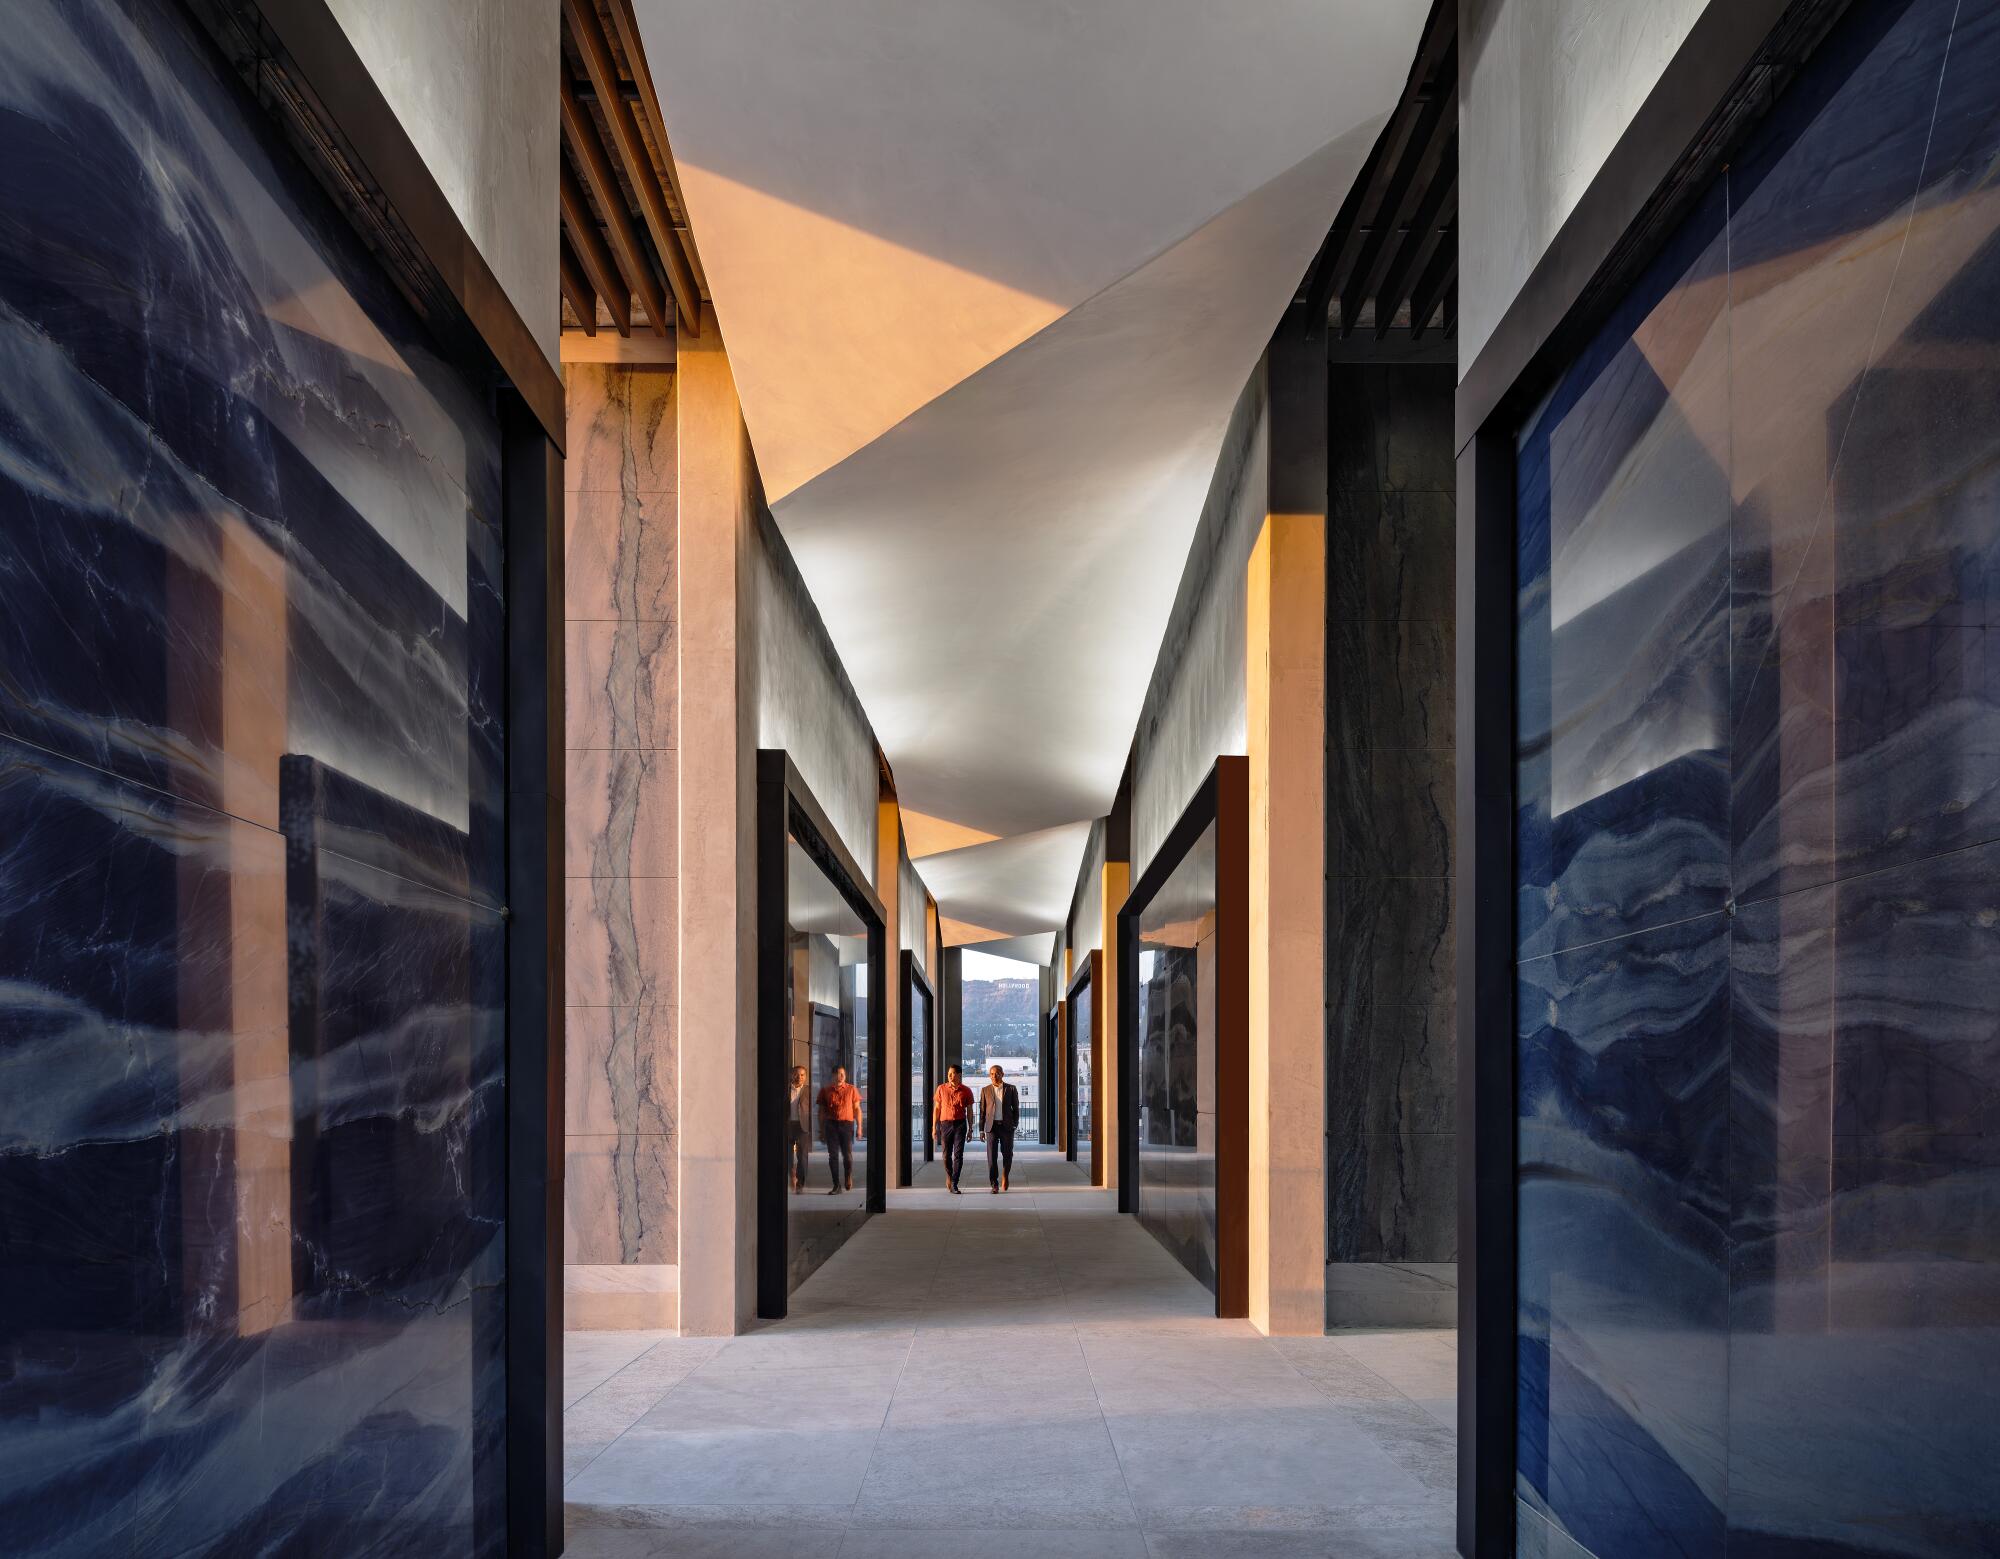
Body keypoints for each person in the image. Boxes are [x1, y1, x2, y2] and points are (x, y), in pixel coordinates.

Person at [817, 1064, 862, 1194]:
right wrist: (821, 1130)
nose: (841, 1076)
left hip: (846, 1125)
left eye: (843, 1074)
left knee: (847, 1155)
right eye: (839, 1074)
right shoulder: (825, 1090)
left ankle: (848, 1176)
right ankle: (836, 1185)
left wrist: (859, 1127)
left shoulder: (851, 1089)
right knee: (833, 1156)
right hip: (831, 1125)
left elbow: (857, 1109)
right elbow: (822, 1112)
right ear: (833, 1075)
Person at [931, 1064, 974, 1194]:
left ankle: (955, 1182)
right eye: (949, 1073)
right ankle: (949, 1174)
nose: (949, 1076)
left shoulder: (966, 1090)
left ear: (959, 1075)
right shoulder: (941, 1089)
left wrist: (970, 1128)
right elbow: (937, 1109)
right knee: (945, 1155)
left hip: (960, 1124)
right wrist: (934, 1127)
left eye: (952, 1073)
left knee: (958, 1155)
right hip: (945, 1125)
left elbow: (970, 1111)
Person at [978, 1063, 1020, 1194]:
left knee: (1008, 1154)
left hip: (1007, 1127)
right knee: (991, 1157)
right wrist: (981, 1129)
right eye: (991, 1074)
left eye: (996, 1073)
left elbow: (1016, 1109)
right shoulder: (985, 1090)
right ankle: (994, 1184)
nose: (994, 1076)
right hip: (991, 1128)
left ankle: (1005, 1175)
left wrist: (1014, 1124)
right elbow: (982, 1111)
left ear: (1002, 1074)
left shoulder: (1011, 1089)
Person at [785, 1065, 811, 1192]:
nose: (799, 1077)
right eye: (797, 1074)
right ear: (792, 1075)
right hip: (788, 1126)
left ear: (805, 1077)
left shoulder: (809, 1091)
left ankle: (801, 1183)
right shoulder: (785, 1089)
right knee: (787, 1155)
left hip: (802, 1127)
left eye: (802, 1075)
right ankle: (791, 1176)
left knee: (802, 1156)